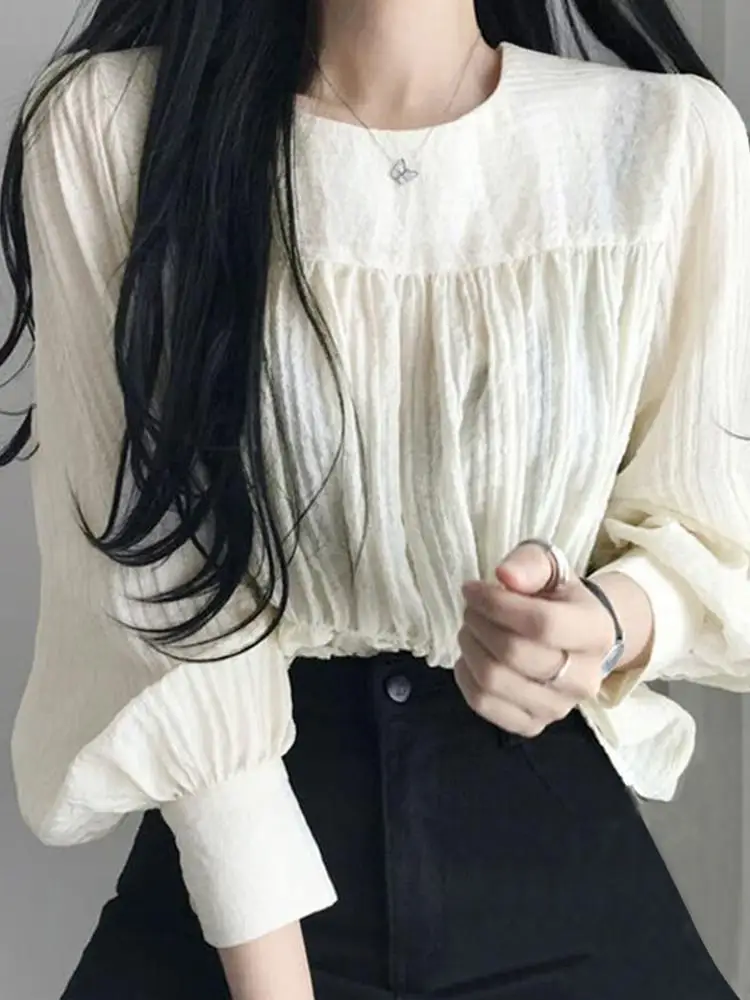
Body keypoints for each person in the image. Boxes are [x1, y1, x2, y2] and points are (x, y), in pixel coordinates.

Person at [2, 0, 749, 997]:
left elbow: (718, 526)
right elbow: (149, 599)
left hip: (556, 866)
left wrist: (601, 626)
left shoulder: (665, 141)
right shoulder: (112, 129)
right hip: (243, 897)